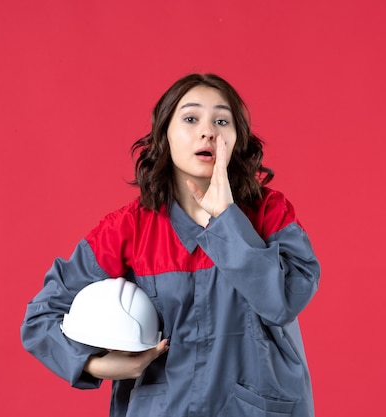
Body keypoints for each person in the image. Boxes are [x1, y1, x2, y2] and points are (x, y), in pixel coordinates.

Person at [21, 73, 321, 417]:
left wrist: (227, 219)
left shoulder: (271, 212)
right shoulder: (129, 228)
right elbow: (41, 316)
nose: (207, 131)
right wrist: (94, 365)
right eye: (191, 118)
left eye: (221, 120)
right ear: (165, 134)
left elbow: (282, 302)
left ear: (237, 139)